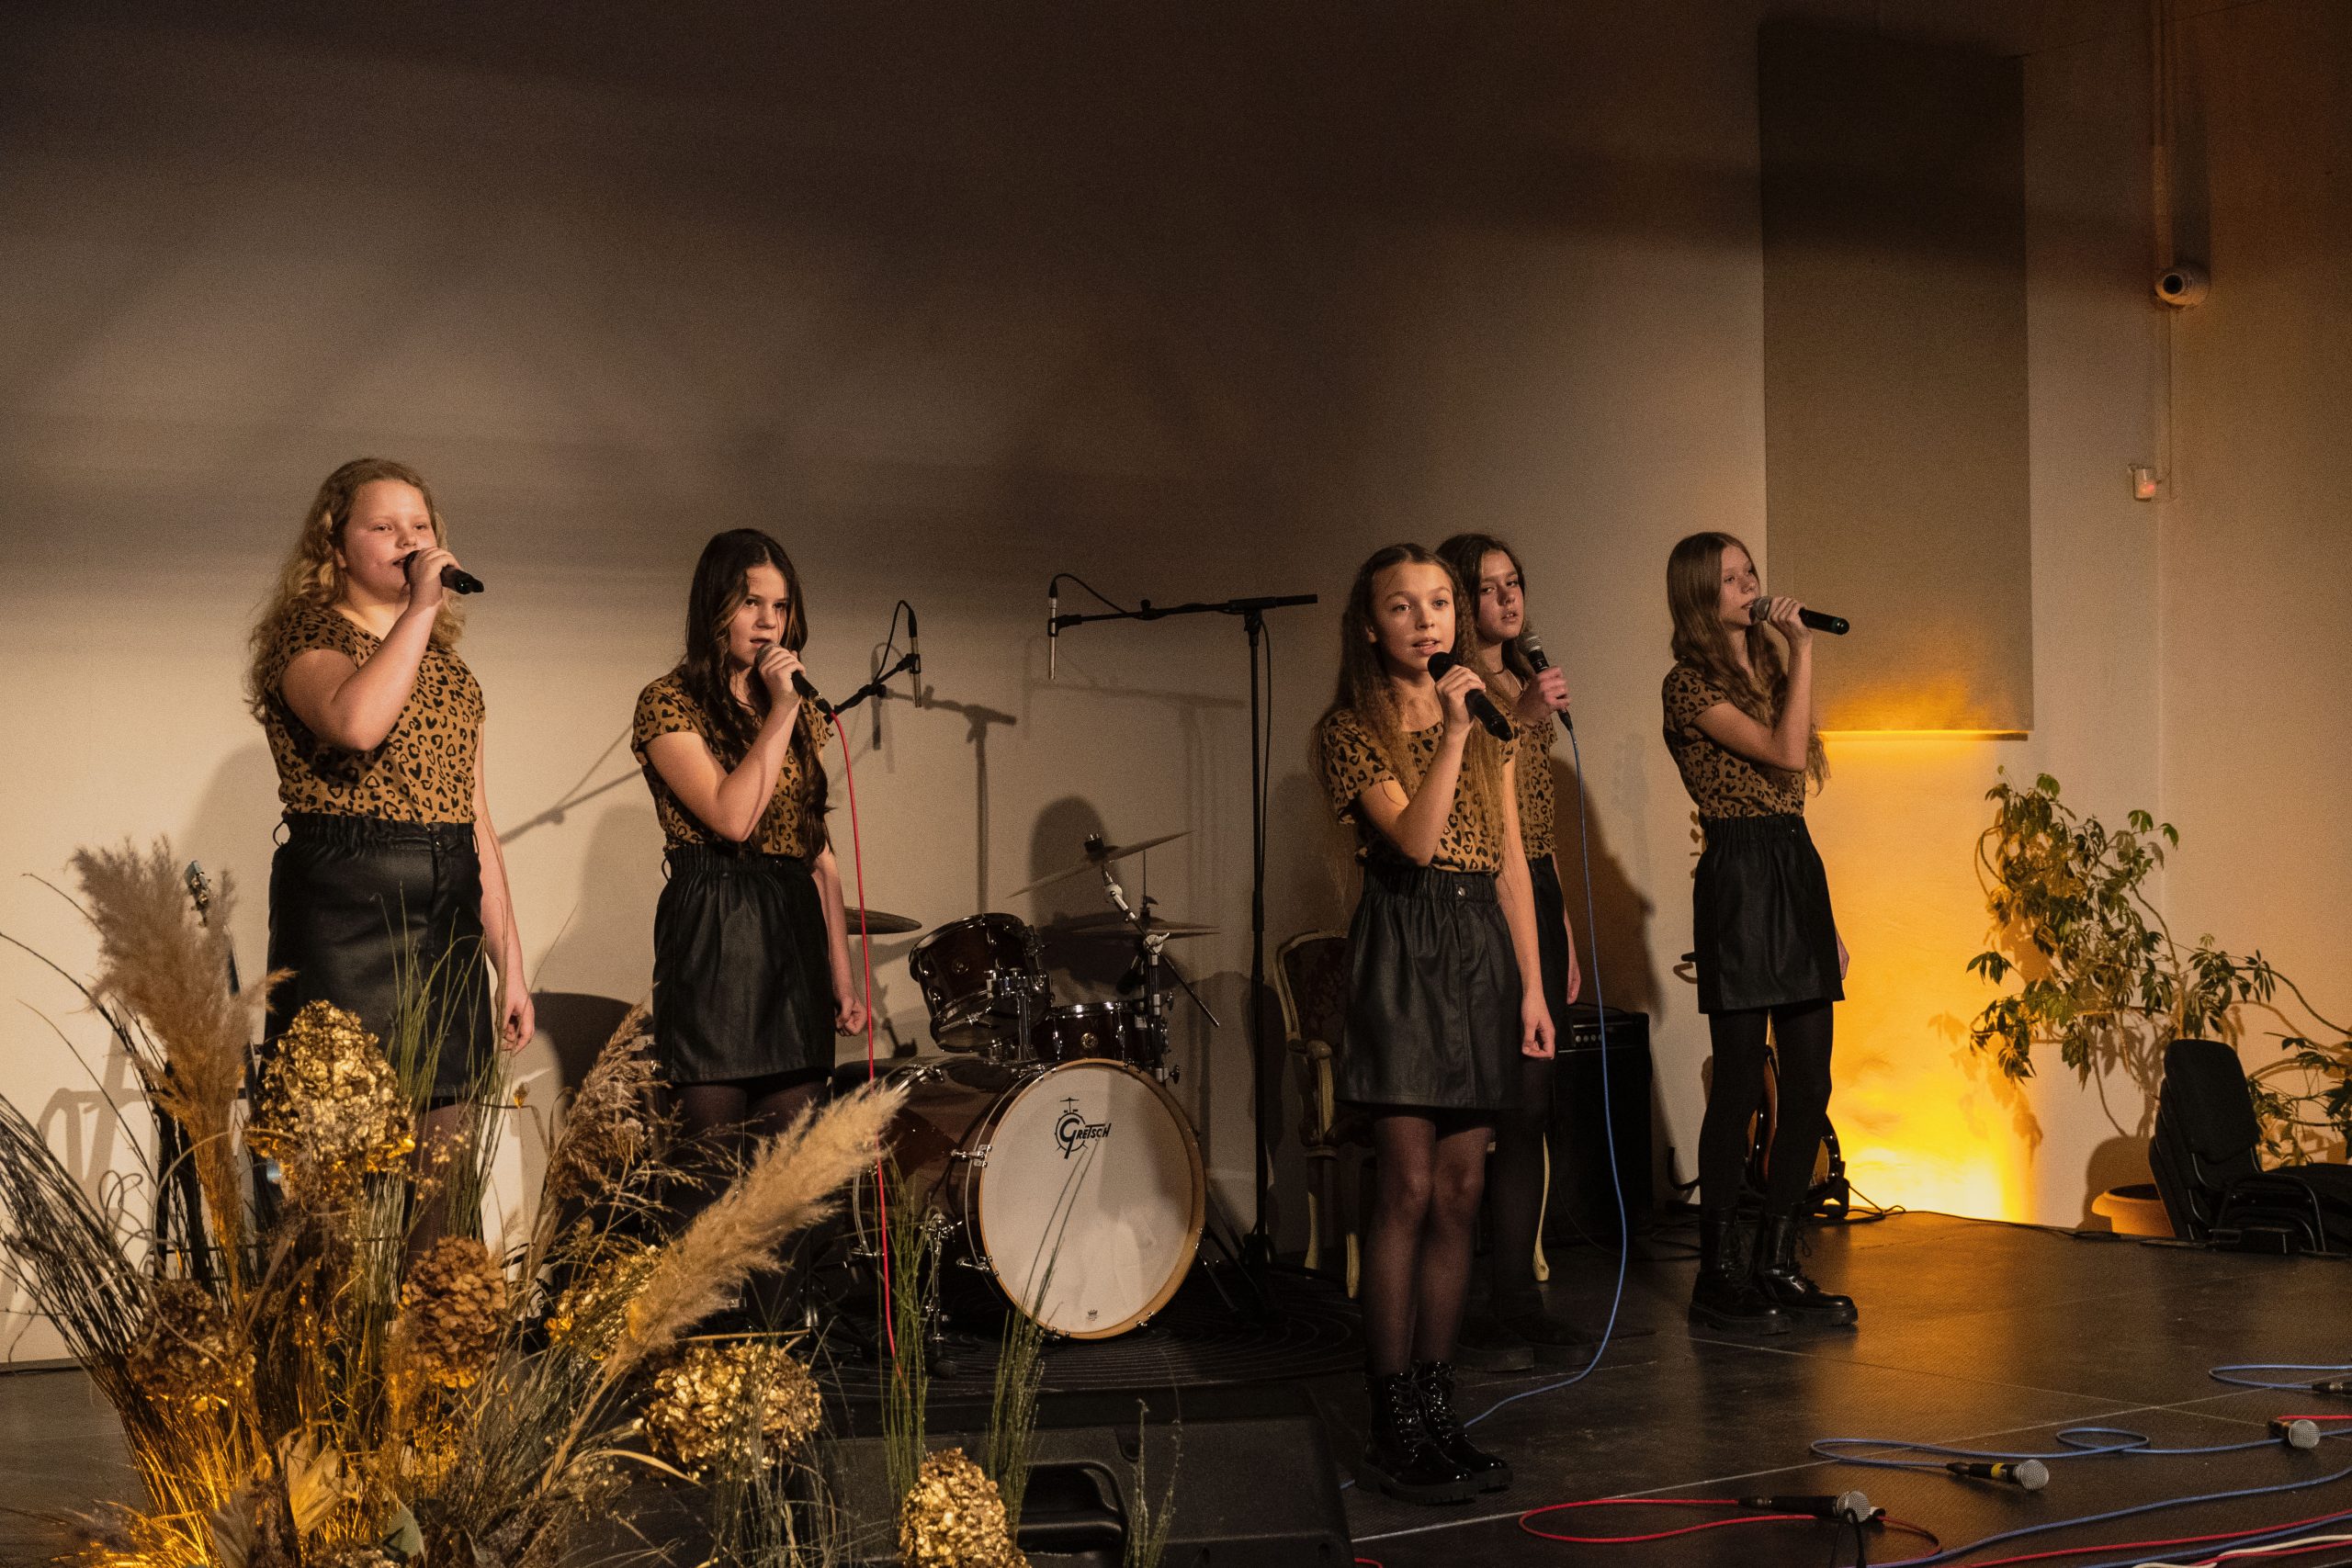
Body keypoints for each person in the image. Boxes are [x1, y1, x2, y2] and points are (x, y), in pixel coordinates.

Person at [1314, 543, 1555, 1505]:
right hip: (1404, 948)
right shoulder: (1349, 729)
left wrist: (1532, 988)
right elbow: (1414, 841)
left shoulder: (1491, 721)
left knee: (1463, 1191)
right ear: (1371, 626)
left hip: (1478, 948)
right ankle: (1392, 1419)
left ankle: (1437, 1405)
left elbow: (1510, 865)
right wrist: (1455, 731)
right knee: (1408, 1189)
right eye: (1404, 606)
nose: (1429, 621)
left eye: (1440, 602)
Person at [247, 457, 533, 1247]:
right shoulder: (307, 638)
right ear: (335, 546)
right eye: (384, 526)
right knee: (328, 1207)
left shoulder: (452, 675)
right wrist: (422, 609)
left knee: (442, 1199)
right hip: (345, 917)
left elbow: (476, 823)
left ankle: (433, 1328)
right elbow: (357, 722)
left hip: (443, 922)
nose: (409, 540)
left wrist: (509, 962)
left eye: (420, 525)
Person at [1660, 531, 1856, 1333]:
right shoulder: (1686, 685)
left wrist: (1822, 920)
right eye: (1731, 580)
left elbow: (1793, 798)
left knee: (1811, 1081)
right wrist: (1804, 648)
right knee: (1740, 1082)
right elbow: (1782, 755)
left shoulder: (1769, 671)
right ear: (1699, 597)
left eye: (1751, 574)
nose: (1749, 588)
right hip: (1738, 876)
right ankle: (1718, 1273)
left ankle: (1777, 1259)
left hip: (1792, 863)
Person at [633, 530, 866, 1192]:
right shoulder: (668, 702)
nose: (768, 621)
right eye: (750, 603)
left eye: (780, 606)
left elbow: (818, 853)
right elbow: (732, 817)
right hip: (716, 925)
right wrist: (783, 709)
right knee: (708, 1184)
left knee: (787, 1190)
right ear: (715, 607)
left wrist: (843, 977)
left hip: (792, 935)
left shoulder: (799, 714)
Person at [1434, 534, 1587, 1369]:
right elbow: (1473, 800)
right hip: (1478, 897)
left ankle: (1518, 1299)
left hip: (1535, 893)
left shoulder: (1526, 676)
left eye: (1514, 582)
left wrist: (1562, 933)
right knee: (1478, 1114)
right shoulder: (1456, 689)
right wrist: (1521, 715)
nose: (1507, 598)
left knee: (1532, 1108)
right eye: (1488, 586)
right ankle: (1460, 1303)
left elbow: (1538, 822)